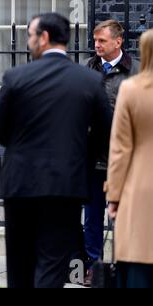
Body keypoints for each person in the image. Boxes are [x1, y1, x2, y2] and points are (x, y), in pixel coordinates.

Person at [0, 13, 112, 288]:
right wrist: (78, 156)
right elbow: (106, 135)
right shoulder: (89, 80)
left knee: (19, 263)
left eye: (30, 35)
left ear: (43, 38)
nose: (29, 41)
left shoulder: (16, 77)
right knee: (53, 263)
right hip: (65, 184)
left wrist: (22, 147)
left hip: (20, 183)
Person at [82, 20, 139, 281]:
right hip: (93, 159)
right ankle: (93, 268)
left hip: (124, 159)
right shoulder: (88, 69)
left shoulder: (135, 72)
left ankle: (123, 266)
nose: (97, 45)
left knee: (124, 217)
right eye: (95, 40)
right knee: (92, 217)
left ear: (118, 42)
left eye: (102, 40)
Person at [105, 29, 153, 288]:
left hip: (141, 191)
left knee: (138, 265)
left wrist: (113, 195)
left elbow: (120, 149)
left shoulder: (132, 90)